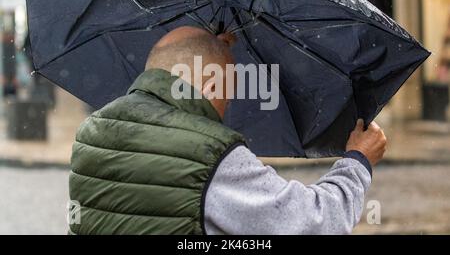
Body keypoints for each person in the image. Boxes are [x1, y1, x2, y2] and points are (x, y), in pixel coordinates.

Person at [69, 26, 387, 235]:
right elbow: (313, 222)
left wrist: (211, 53)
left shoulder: (93, 132)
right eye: (227, 93)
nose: (226, 107)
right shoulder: (210, 154)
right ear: (209, 87)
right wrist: (357, 162)